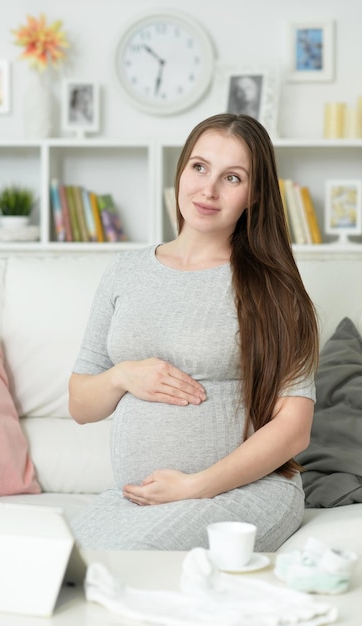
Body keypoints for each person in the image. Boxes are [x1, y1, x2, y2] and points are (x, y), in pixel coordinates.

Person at [69, 113, 319, 552]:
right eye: (199, 167)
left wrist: (195, 486)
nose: (208, 189)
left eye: (232, 177)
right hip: (142, 500)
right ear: (181, 170)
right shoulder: (125, 272)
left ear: (254, 195)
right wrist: (122, 375)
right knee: (67, 562)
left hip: (245, 494)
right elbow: (80, 405)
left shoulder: (272, 289)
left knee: (131, 558)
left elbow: (294, 428)